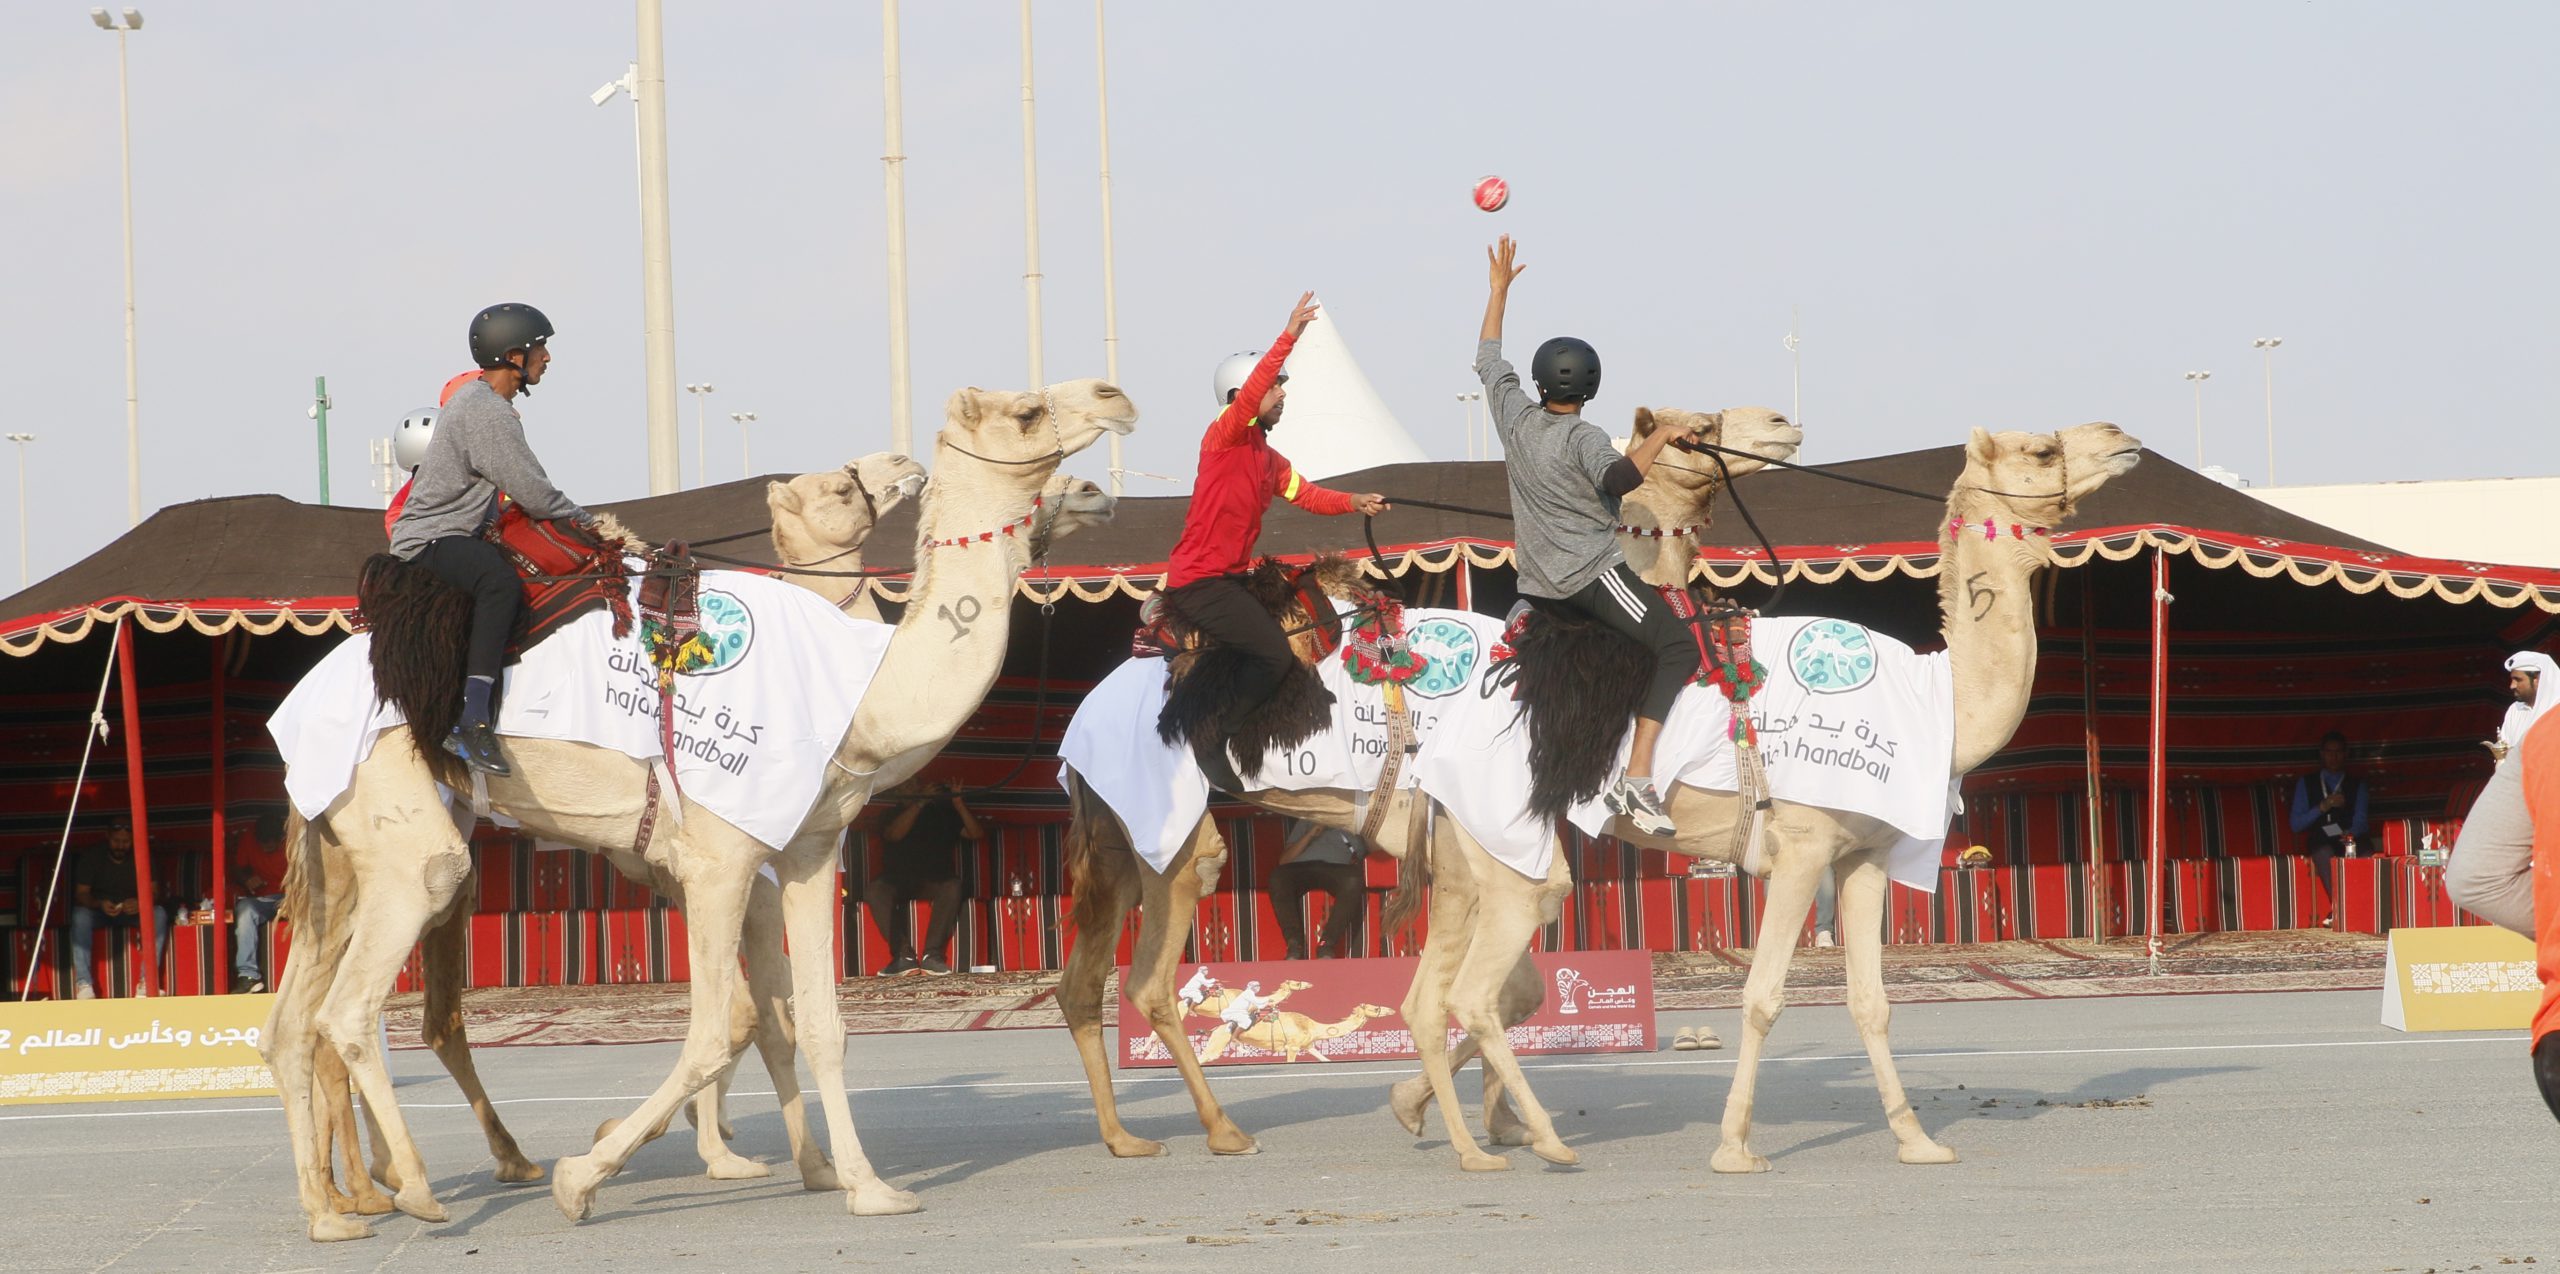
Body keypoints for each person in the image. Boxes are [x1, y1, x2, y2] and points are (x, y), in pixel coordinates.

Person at [1477, 235, 1704, 836]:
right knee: (1680, 646)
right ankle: (1637, 780)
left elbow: (1487, 359)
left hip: (1536, 586)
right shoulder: (1584, 438)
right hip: (1590, 580)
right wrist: (1664, 433)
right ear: (1590, 388)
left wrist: (1498, 291)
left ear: (1540, 382)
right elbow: (1624, 475)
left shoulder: (1514, 418)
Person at [1162, 293, 1388, 755]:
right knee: (1272, 655)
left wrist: (1355, 500)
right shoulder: (1223, 436)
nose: (1282, 393)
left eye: (1282, 386)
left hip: (1232, 581)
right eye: (1274, 387)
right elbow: (1253, 389)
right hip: (1201, 585)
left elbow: (1308, 495)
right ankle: (1219, 737)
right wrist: (1290, 335)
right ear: (1241, 399)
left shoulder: (1269, 459)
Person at [387, 304, 593, 777]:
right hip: (430, 540)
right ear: (514, 355)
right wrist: (592, 528)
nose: (547, 358)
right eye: (541, 348)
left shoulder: (482, 404)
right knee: (499, 583)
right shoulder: (487, 413)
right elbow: (535, 493)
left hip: (453, 533)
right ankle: (472, 719)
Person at [864, 779, 983, 976]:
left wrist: (958, 803)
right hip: (897, 879)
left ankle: (932, 956)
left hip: (935, 879)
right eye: (906, 785)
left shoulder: (941, 814)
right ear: (897, 793)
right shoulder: (889, 814)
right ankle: (904, 956)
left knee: (953, 886)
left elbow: (976, 833)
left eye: (914, 784)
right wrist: (918, 803)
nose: (913, 787)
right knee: (875, 891)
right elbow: (894, 835)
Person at [64, 818, 170, 1000]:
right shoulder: (92, 856)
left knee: (158, 913)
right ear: (107, 837)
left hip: (133, 911)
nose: (120, 846)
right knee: (79, 915)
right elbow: (81, 894)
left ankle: (147, 983)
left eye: (126, 842)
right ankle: (84, 984)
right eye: (116, 841)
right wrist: (100, 904)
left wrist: (140, 902)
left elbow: (154, 892)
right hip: (100, 911)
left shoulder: (143, 855)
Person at [2287, 731, 2370, 924]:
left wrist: (2350, 834)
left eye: (2339, 752)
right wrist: (2322, 807)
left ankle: (2367, 908)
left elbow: (2361, 820)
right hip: (2322, 836)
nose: (2334, 757)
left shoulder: (2357, 783)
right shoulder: (2306, 782)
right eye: (2329, 752)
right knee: (2323, 850)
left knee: (2366, 854)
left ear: (2346, 754)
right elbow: (2296, 824)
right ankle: (2341, 908)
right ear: (2322, 754)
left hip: (2351, 835)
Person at [1270, 819, 1365, 960]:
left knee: (1354, 879)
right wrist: (1311, 834)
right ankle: (1294, 944)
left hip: (1337, 868)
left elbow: (1368, 848)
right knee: (1278, 877)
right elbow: (1284, 860)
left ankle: (1327, 944)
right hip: (1301, 868)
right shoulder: (1306, 818)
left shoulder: (1353, 819)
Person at [228, 809, 290, 994]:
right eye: (263, 842)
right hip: (264, 900)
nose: (268, 846)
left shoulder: (294, 841)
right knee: (244, 909)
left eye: (272, 842)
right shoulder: (249, 837)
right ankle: (249, 976)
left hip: (294, 896)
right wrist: (247, 878)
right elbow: (238, 868)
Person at [2494, 651, 2557, 761]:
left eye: (2518, 680)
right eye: (2512, 680)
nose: (2512, 686)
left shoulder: (2556, 708)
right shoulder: (2515, 710)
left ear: (2537, 680)